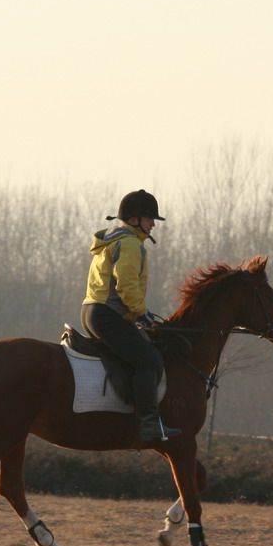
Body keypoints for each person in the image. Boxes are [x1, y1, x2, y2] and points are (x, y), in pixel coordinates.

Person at [82, 189, 181, 445]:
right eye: (150, 220)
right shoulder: (129, 244)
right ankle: (149, 424)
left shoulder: (112, 241)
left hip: (94, 311)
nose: (152, 226)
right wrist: (143, 315)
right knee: (149, 361)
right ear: (135, 219)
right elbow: (126, 286)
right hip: (108, 315)